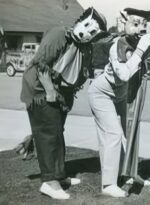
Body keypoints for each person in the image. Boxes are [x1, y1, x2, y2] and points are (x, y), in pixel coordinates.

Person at [20, 7, 107, 200]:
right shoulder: (59, 34)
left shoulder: (85, 48)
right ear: (81, 20)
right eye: (89, 26)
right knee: (49, 134)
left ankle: (59, 176)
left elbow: (79, 72)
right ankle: (49, 182)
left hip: (60, 93)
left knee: (57, 133)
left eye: (94, 32)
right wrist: (50, 90)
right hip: (41, 90)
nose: (89, 33)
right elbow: (41, 64)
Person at [88, 8, 150, 197]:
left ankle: (126, 174)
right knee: (113, 134)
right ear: (124, 23)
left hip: (119, 95)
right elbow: (124, 74)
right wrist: (142, 49)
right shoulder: (117, 44)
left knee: (127, 135)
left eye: (143, 24)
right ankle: (108, 184)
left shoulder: (138, 42)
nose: (140, 29)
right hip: (102, 93)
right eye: (135, 24)